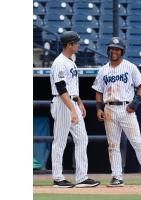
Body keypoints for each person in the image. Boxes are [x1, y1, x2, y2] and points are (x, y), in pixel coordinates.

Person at [92, 37, 141, 187]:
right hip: (109, 108)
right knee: (113, 145)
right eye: (112, 48)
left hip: (126, 108)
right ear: (108, 50)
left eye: (117, 49)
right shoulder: (103, 70)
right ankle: (117, 177)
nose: (114, 51)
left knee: (136, 141)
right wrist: (99, 108)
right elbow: (98, 91)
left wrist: (135, 103)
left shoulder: (130, 67)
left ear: (122, 51)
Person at [50, 31, 100, 188]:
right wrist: (71, 109)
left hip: (71, 102)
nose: (79, 45)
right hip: (62, 103)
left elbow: (71, 87)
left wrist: (79, 102)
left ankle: (81, 177)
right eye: (76, 43)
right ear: (69, 45)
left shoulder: (71, 60)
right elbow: (61, 88)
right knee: (60, 141)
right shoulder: (59, 62)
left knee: (82, 139)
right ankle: (58, 178)